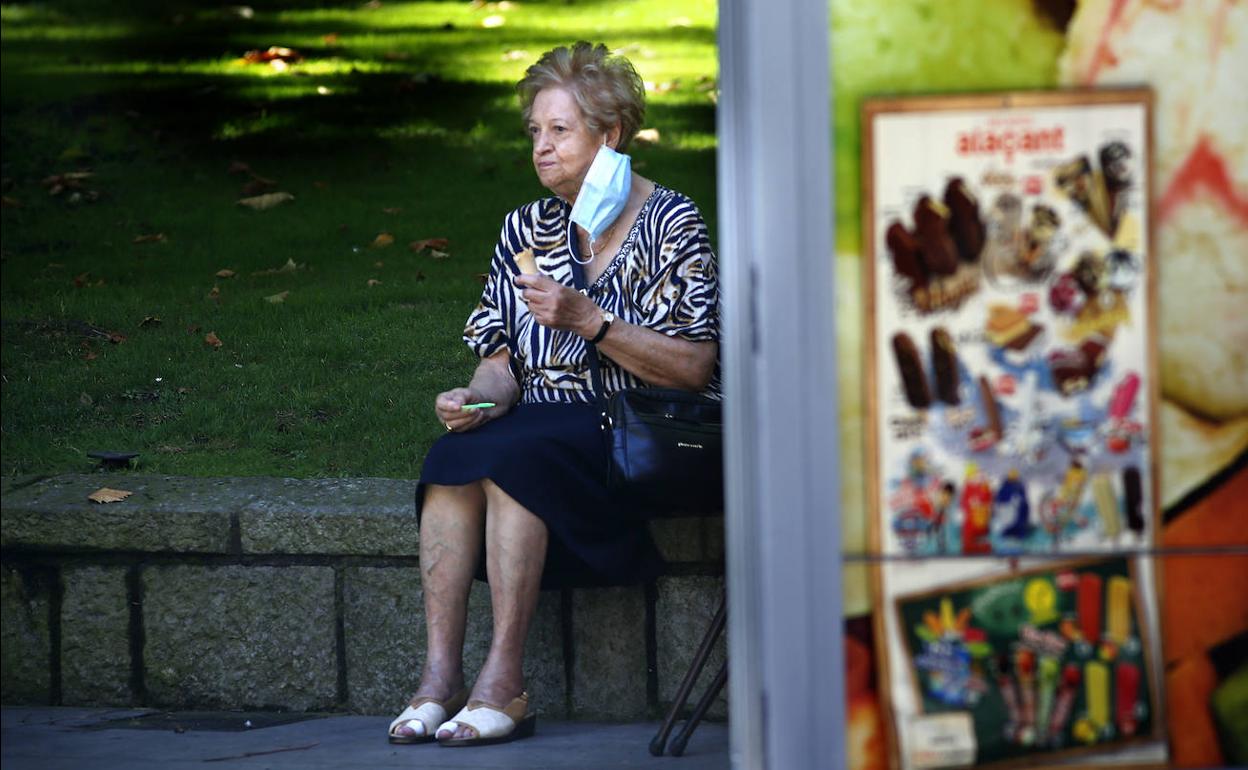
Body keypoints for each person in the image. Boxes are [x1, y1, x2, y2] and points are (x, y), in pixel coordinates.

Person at [387, 41, 721, 747]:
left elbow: (693, 366)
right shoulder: (524, 228)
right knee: (454, 456)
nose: (542, 148)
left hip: (643, 426)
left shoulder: (672, 222)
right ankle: (437, 680)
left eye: (560, 130)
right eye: (535, 131)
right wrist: (474, 397)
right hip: (544, 424)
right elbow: (502, 360)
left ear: (612, 134)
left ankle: (504, 683)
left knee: (519, 457)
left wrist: (589, 321)